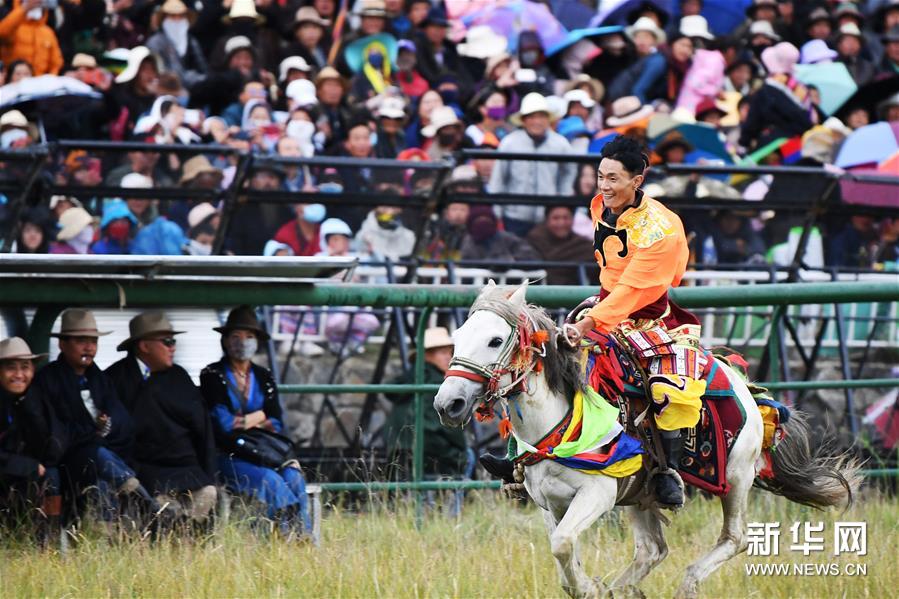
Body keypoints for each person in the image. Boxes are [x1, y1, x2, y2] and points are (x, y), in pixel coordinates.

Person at [563, 136, 708, 509]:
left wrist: (588, 324)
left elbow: (633, 290)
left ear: (637, 181)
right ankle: (527, 456)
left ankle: (667, 472)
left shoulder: (661, 229)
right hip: (603, 307)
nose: (604, 186)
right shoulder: (600, 206)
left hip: (649, 320)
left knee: (671, 390)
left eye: (613, 178)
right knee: (550, 360)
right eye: (601, 176)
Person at [24, 309, 159, 524]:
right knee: (96, 455)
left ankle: (106, 534)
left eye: (93, 341)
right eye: (81, 341)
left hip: (102, 457)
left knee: (102, 478)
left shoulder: (101, 380)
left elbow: (123, 423)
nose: (89, 348)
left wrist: (106, 426)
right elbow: (52, 433)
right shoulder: (47, 380)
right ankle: (145, 501)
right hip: (66, 460)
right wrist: (92, 434)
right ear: (62, 344)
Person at [200, 306, 310, 538]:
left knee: (293, 477)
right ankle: (285, 536)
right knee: (271, 480)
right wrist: (259, 417)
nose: (243, 342)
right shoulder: (212, 374)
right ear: (225, 340)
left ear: (257, 341)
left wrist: (243, 422)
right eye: (236, 336)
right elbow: (223, 425)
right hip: (229, 455)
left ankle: (303, 539)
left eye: (249, 336)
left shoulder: (263, 376)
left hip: (265, 454)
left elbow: (276, 423)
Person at [106, 312, 217, 525]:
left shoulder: (179, 377)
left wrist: (210, 475)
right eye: (167, 341)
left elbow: (203, 431)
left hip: (187, 470)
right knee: (163, 511)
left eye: (173, 341)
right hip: (145, 470)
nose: (173, 347)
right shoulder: (116, 379)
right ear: (144, 346)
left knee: (207, 494)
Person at [383, 327, 469, 476]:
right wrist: (461, 451)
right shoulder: (438, 383)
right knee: (468, 461)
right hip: (432, 453)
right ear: (427, 355)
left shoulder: (407, 380)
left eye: (450, 353)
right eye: (443, 352)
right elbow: (445, 427)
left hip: (398, 450)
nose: (449, 357)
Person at [488, 93, 576, 237]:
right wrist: (497, 212)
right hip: (514, 216)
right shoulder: (509, 143)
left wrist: (561, 198)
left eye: (541, 116)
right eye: (532, 117)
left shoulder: (560, 144)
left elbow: (569, 172)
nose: (537, 121)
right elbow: (499, 178)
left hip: (547, 217)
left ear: (548, 119)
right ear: (523, 120)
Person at [0, 337, 61, 541]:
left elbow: (53, 442)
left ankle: (49, 539)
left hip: (29, 475)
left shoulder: (36, 398)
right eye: (11, 368)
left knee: (53, 476)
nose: (19, 375)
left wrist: (30, 409)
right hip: (10, 472)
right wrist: (27, 466)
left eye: (25, 367)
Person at [145, 0, 208, 89]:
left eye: (181, 16)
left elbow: (202, 67)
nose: (177, 20)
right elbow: (165, 73)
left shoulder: (190, 40)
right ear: (164, 19)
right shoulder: (155, 43)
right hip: (166, 89)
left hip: (195, 87)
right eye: (172, 16)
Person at [526, 206, 595, 286]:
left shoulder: (581, 243)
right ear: (547, 220)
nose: (561, 223)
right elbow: (547, 258)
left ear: (573, 219)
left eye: (566, 218)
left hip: (574, 288)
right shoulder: (535, 238)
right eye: (556, 218)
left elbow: (594, 252)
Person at [0, 0, 64, 76]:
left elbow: (56, 62)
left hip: (40, 80)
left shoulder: (47, 32)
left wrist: (50, 78)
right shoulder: (15, 27)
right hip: (15, 79)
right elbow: (3, 33)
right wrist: (25, 8)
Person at [460, 205, 539, 263]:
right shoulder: (469, 243)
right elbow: (467, 264)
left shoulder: (507, 238)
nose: (483, 223)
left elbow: (530, 255)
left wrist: (510, 261)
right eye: (478, 220)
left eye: (487, 219)